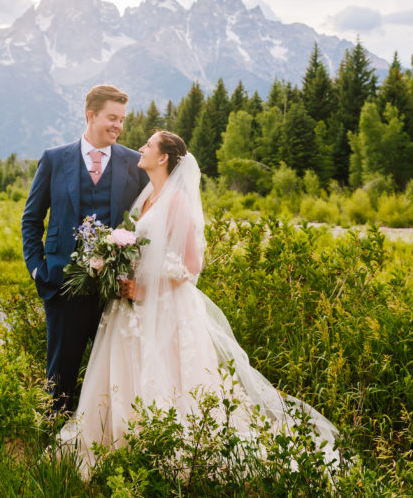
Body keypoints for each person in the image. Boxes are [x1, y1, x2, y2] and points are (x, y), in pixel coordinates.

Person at [58, 131, 341, 475]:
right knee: (121, 374)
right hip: (128, 304)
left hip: (160, 306)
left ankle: (159, 449)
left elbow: (191, 266)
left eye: (149, 145)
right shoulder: (147, 196)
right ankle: (115, 444)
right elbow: (140, 249)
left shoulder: (176, 200)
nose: (142, 148)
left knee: (164, 378)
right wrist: (114, 265)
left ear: (163, 158)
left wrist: (145, 289)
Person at [21, 84, 149, 415]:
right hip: (62, 288)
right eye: (112, 118)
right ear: (90, 115)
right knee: (59, 379)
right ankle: (51, 445)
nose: (118, 127)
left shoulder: (135, 163)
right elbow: (32, 219)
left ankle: (101, 449)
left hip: (114, 293)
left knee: (110, 378)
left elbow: (149, 223)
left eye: (122, 120)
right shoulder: (54, 159)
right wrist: (39, 270)